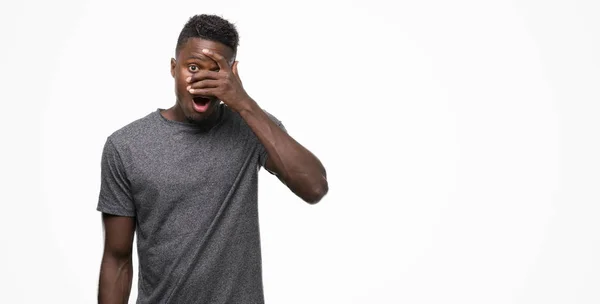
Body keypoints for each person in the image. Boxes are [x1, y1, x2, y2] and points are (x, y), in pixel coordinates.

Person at [97, 14, 328, 304]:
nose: (202, 80)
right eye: (193, 67)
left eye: (215, 70)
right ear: (173, 67)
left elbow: (314, 187)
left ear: (233, 73)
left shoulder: (251, 127)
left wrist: (243, 102)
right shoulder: (126, 146)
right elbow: (117, 260)